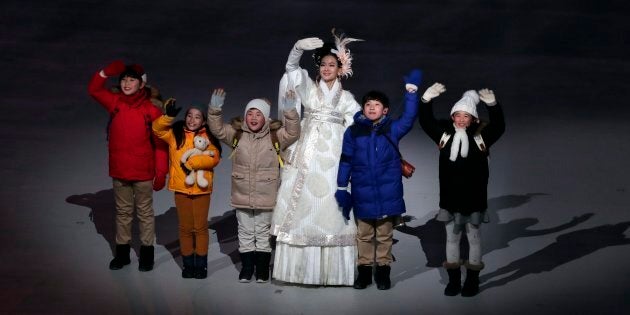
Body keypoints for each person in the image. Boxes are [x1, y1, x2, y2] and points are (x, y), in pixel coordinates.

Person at [270, 29, 363, 286]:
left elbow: (360, 123)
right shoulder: (310, 90)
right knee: (301, 204)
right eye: (323, 64)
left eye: (332, 65)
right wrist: (297, 48)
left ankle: (333, 273)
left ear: (341, 68)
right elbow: (291, 68)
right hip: (307, 153)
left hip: (333, 159)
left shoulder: (346, 98)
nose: (326, 68)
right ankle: (300, 271)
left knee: (332, 206)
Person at [335, 69, 422, 290]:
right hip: (362, 193)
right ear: (362, 109)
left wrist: (411, 93)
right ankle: (364, 272)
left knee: (384, 235)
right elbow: (345, 160)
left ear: (385, 110)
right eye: (368, 104)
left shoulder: (392, 130)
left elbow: (409, 118)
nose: (372, 107)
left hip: (387, 194)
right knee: (363, 235)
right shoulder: (353, 132)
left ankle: (383, 272)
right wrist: (341, 186)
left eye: (377, 105)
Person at [418, 83, 505, 297]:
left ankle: (472, 280)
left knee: (474, 238)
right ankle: (454, 281)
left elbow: (500, 126)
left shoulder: (480, 138)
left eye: (466, 116)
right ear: (452, 117)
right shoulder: (445, 137)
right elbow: (426, 122)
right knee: (452, 239)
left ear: (473, 119)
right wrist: (426, 100)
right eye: (458, 115)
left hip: (474, 200)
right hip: (450, 200)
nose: (461, 120)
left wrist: (493, 106)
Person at [206, 89, 301, 283]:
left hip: (266, 196)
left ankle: (263, 270)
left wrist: (291, 111)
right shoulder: (237, 134)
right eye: (250, 113)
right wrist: (215, 108)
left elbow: (293, 131)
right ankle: (247, 269)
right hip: (242, 195)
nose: (253, 117)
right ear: (245, 115)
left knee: (263, 234)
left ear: (266, 118)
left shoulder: (276, 136)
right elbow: (216, 129)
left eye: (258, 114)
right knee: (246, 233)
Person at [88, 60, 168, 272]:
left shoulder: (151, 111)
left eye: (132, 79)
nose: (126, 83)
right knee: (123, 212)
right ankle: (122, 254)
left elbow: (160, 143)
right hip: (120, 170)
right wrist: (105, 72)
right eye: (123, 79)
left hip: (143, 171)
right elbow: (93, 89)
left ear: (142, 85)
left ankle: (146, 255)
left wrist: (161, 171)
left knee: (144, 213)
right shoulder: (115, 103)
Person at [152, 99, 222, 279]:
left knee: (200, 228)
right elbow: (157, 129)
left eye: (197, 117)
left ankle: (201, 265)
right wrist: (168, 117)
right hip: (181, 188)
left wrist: (192, 162)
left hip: (201, 189)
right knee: (185, 228)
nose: (192, 120)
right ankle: (188, 264)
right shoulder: (175, 134)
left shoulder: (208, 137)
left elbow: (214, 157)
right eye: (189, 115)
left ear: (203, 121)